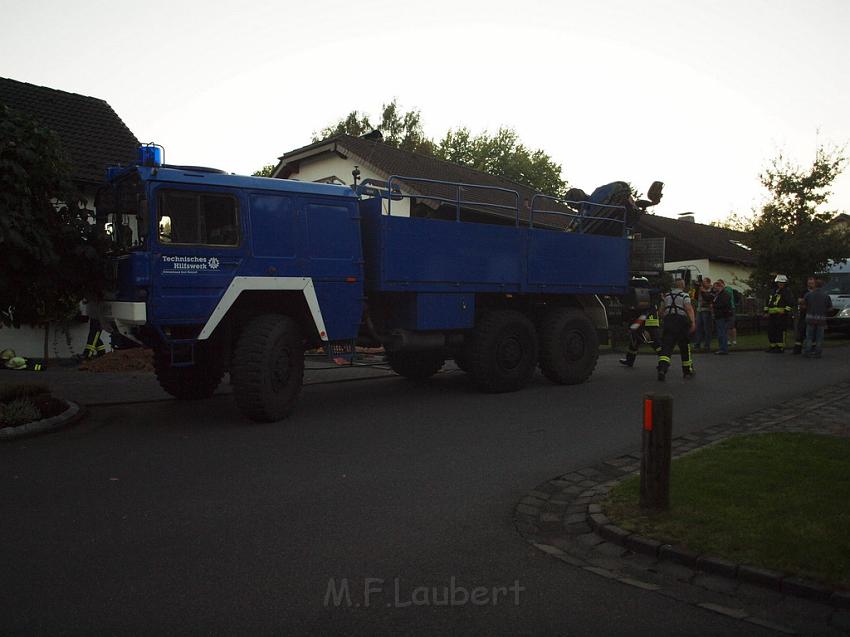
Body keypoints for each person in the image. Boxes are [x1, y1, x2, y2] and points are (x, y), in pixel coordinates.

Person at [656, 279, 696, 381]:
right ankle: (687, 371)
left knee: (667, 347)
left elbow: (661, 311)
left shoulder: (667, 296)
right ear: (683, 286)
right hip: (681, 322)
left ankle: (662, 369)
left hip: (669, 321)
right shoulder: (684, 296)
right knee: (684, 347)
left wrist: (662, 319)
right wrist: (693, 322)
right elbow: (688, 308)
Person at [619, 294, 661, 367]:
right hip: (648, 324)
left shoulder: (645, 304)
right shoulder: (648, 302)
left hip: (649, 326)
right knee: (634, 342)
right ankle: (629, 361)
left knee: (655, 344)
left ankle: (664, 361)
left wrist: (642, 328)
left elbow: (643, 315)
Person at [764, 274, 795, 353]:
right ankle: (772, 346)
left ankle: (780, 347)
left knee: (780, 331)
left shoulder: (787, 292)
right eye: (779, 282)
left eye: (782, 283)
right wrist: (766, 312)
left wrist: (785, 311)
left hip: (781, 316)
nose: (780, 284)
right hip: (771, 315)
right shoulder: (772, 291)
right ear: (776, 282)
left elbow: (791, 303)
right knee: (771, 331)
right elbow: (767, 302)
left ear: (785, 283)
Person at [802, 278, 832, 358]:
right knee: (819, 338)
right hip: (821, 319)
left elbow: (804, 306)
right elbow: (830, 308)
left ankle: (807, 352)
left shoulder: (808, 295)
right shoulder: (826, 296)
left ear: (814, 285)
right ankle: (818, 353)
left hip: (810, 318)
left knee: (809, 337)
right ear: (822, 286)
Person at [793, 276, 816, 354]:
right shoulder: (804, 291)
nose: (810, 284)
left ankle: (813, 349)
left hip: (813, 315)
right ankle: (797, 349)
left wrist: (806, 302)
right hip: (804, 315)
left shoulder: (817, 292)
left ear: (815, 283)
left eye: (812, 283)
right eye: (809, 283)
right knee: (801, 331)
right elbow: (800, 301)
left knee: (813, 333)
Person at [711, 280, 733, 355]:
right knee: (721, 332)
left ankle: (723, 349)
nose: (714, 289)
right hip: (720, 316)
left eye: (715, 287)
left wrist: (714, 306)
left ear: (719, 287)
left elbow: (724, 304)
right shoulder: (719, 294)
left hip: (722, 316)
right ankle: (722, 348)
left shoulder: (725, 294)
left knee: (722, 333)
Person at [693, 277, 714, 352]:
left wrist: (703, 291)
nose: (702, 283)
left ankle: (707, 345)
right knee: (698, 328)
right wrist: (697, 289)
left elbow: (708, 298)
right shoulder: (700, 289)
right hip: (699, 310)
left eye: (704, 282)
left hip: (706, 310)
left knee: (707, 329)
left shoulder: (711, 289)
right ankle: (697, 345)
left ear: (708, 283)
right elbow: (695, 297)